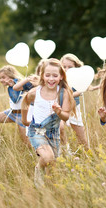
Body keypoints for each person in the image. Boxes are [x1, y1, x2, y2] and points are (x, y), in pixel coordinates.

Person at [21, 58, 76, 187]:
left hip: (53, 133)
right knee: (47, 157)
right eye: (48, 75)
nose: (51, 79)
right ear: (42, 76)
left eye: (55, 75)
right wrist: (24, 121)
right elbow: (25, 102)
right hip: (37, 131)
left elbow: (66, 117)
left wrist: (59, 112)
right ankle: (37, 169)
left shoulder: (64, 93)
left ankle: (47, 191)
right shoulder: (36, 92)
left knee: (51, 168)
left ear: (61, 76)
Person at [60, 54, 88, 152]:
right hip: (61, 108)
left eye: (70, 67)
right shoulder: (59, 78)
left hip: (73, 108)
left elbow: (80, 91)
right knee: (60, 127)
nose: (67, 69)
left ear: (76, 67)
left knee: (81, 137)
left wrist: (68, 95)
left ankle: (88, 155)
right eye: (64, 67)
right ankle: (66, 151)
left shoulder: (77, 78)